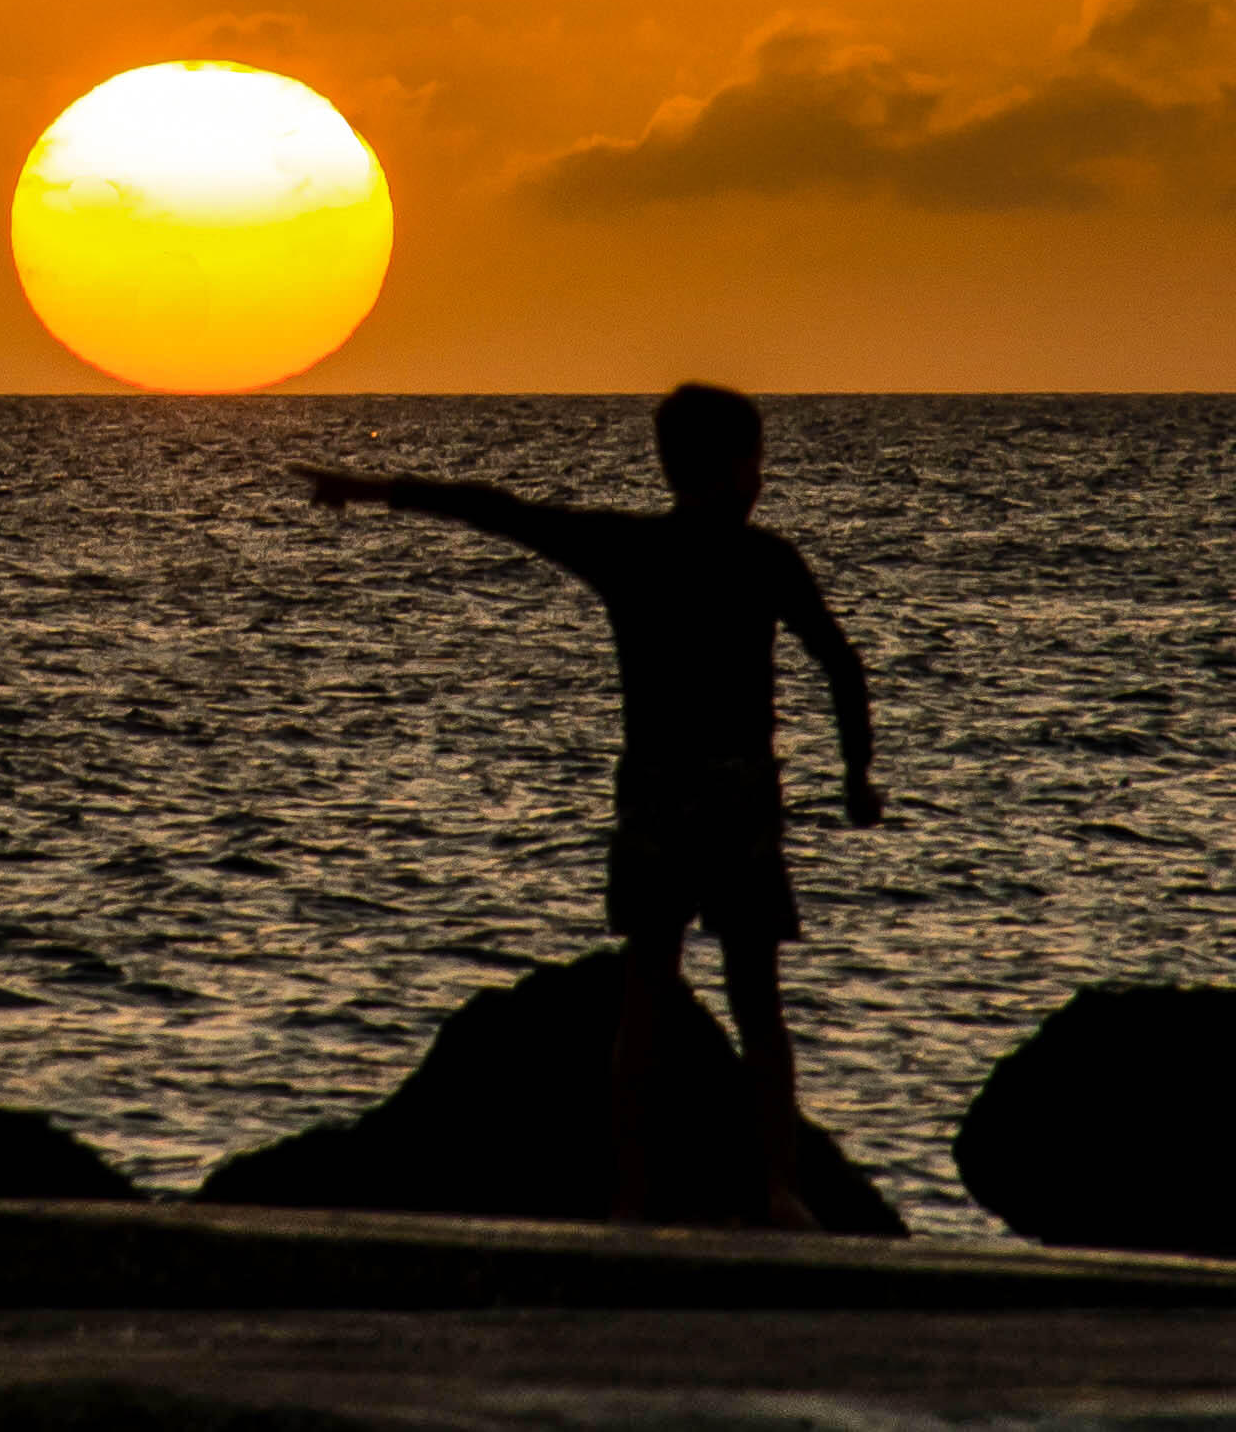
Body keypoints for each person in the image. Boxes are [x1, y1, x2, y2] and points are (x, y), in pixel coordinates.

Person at [295, 382, 881, 1231]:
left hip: (662, 796)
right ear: (727, 468)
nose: (758, 476)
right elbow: (840, 664)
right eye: (753, 459)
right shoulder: (763, 560)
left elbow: (499, 512)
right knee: (738, 997)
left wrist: (373, 491)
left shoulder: (633, 550)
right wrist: (854, 775)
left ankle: (644, 1196)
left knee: (659, 993)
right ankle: (762, 1186)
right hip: (728, 798)